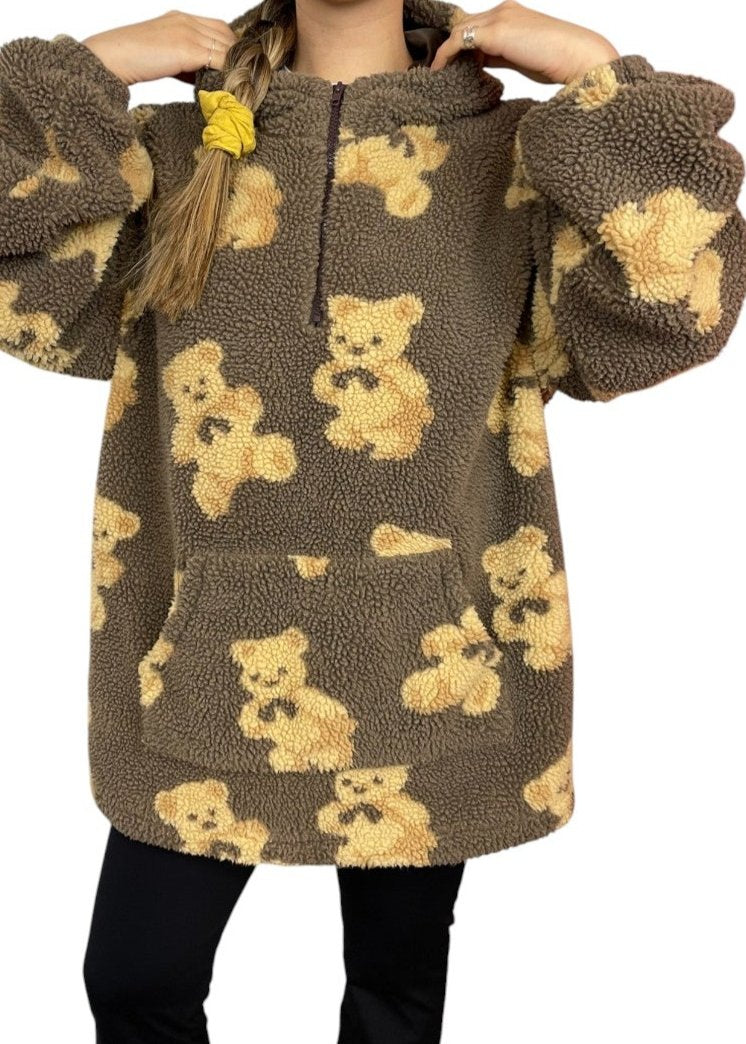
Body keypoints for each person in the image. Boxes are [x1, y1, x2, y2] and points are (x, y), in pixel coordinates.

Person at [1, 0, 744, 1041]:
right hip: (198, 663)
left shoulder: (519, 159)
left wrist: (597, 73)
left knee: (394, 998)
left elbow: (677, 300)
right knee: (135, 979)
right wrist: (88, 69)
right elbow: (20, 277)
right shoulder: (171, 152)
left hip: (432, 662)